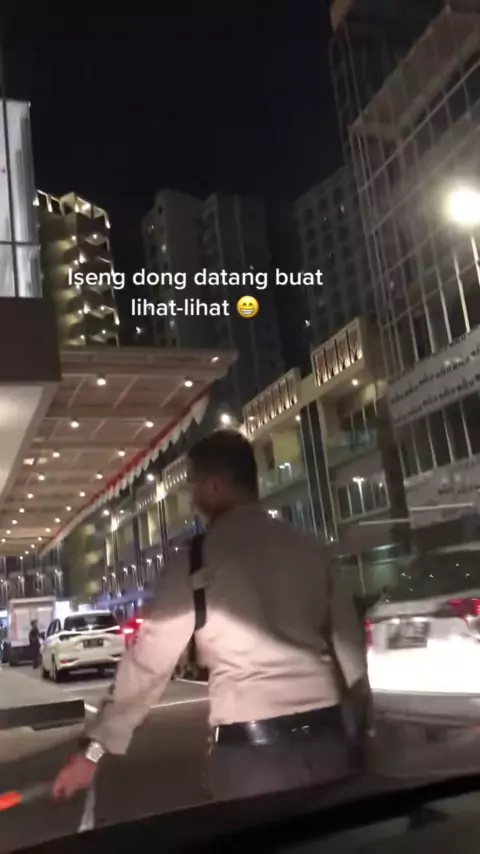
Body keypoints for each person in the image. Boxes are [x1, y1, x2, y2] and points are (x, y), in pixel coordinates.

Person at [53, 430, 372, 802]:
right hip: (329, 742)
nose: (192, 499)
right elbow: (349, 648)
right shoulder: (312, 549)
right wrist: (362, 729)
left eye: (193, 486)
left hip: (253, 758)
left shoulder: (195, 560)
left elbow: (147, 665)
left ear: (215, 485)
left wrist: (93, 752)